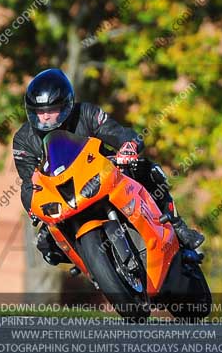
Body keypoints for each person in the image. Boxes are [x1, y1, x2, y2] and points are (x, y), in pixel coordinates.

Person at [12, 68, 205, 265]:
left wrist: (128, 147)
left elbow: (120, 134)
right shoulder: (23, 140)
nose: (44, 117)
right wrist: (34, 208)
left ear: (66, 105)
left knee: (147, 170)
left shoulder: (86, 113)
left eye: (51, 110)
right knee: (45, 243)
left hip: (104, 176)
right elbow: (29, 183)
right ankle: (92, 267)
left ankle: (178, 227)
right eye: (39, 111)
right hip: (65, 197)